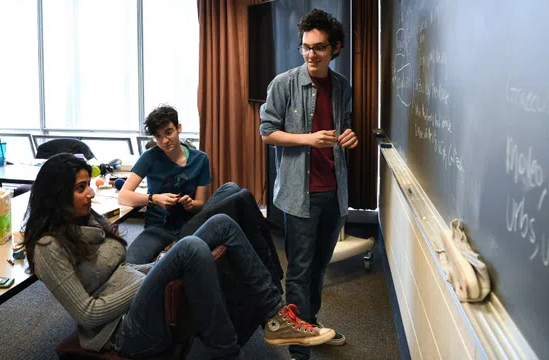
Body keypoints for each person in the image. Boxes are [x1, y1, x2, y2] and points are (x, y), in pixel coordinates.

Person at [22, 154, 336, 358]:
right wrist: (153, 272)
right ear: (58, 195)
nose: (90, 193)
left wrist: (151, 269)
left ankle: (276, 316)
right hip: (123, 331)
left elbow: (123, 269)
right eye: (81, 188)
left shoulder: (88, 218)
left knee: (222, 223)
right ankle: (227, 351)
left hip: (141, 299)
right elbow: (88, 314)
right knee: (190, 248)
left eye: (88, 184)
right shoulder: (48, 247)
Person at [259, 9, 359, 359]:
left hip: (334, 193)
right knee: (299, 272)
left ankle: (311, 326)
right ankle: (298, 347)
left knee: (319, 268)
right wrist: (307, 139)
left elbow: (343, 128)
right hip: (299, 196)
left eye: (318, 48)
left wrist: (348, 138)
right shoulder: (283, 84)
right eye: (305, 47)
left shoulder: (342, 86)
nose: (310, 54)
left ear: (335, 48)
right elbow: (268, 133)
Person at [118, 105, 214, 263]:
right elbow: (123, 196)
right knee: (130, 263)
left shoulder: (200, 159)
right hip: (157, 227)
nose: (164, 141)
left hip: (189, 225)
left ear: (179, 128)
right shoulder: (150, 157)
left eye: (169, 132)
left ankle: (169, 256)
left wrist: (190, 204)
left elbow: (200, 203)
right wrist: (155, 199)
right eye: (158, 136)